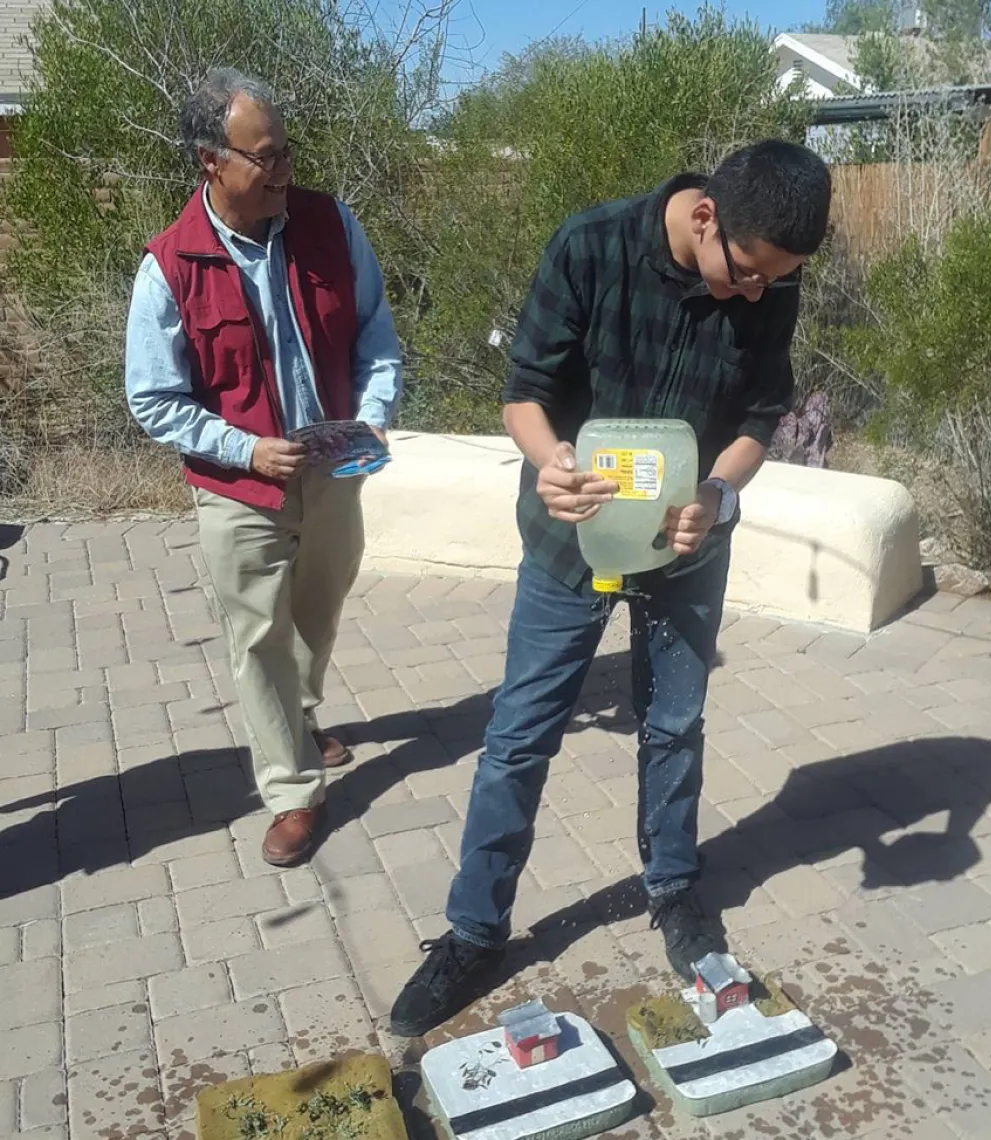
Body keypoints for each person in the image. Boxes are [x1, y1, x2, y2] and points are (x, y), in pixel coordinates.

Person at [390, 139, 832, 1037]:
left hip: (686, 547)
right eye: (745, 274)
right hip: (571, 537)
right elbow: (525, 393)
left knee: (675, 725)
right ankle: (474, 932)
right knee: (520, 732)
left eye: (771, 282)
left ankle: (672, 890)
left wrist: (717, 491)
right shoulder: (588, 246)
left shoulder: (770, 273)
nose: (755, 294)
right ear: (704, 216)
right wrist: (550, 461)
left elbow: (759, 416)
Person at [125, 69, 403, 867]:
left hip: (334, 469)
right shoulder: (169, 266)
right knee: (258, 639)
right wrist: (246, 448)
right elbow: (154, 400)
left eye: (287, 151)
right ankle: (291, 790)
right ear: (212, 161)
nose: (285, 169)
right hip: (239, 488)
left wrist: (373, 415)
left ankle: (302, 711)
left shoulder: (332, 224)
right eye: (266, 156)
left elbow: (375, 336)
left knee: (321, 605)